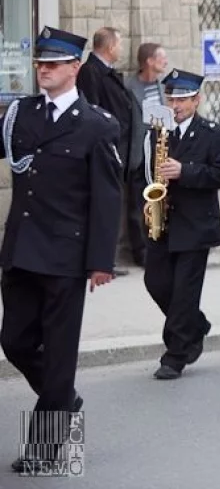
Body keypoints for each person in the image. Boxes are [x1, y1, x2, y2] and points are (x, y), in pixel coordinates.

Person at [1, 26, 121, 472]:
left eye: (52, 63)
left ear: (75, 67)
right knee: (13, 341)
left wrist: (100, 262)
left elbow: (107, 199)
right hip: (20, 251)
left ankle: (47, 449)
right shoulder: (21, 115)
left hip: (66, 256)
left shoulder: (96, 125)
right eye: (39, 64)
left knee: (59, 351)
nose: (43, 70)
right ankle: (65, 397)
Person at [144, 70, 220, 380]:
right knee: (155, 283)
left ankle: (175, 354)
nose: (175, 105)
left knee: (184, 292)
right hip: (163, 221)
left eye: (182, 99)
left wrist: (186, 171)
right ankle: (196, 324)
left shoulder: (214, 134)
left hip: (196, 225)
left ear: (197, 100)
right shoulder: (158, 132)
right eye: (171, 98)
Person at [76, 27, 135, 275]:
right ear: (110, 47)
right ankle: (101, 262)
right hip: (104, 149)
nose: (121, 50)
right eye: (119, 45)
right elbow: (93, 109)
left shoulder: (106, 72)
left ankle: (106, 260)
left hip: (116, 149)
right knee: (102, 206)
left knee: (112, 204)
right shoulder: (91, 72)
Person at [124, 42, 168, 267]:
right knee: (136, 206)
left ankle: (157, 247)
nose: (166, 62)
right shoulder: (128, 86)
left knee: (159, 201)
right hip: (138, 153)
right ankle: (140, 253)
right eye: (161, 58)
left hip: (159, 152)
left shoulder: (163, 86)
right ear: (149, 61)